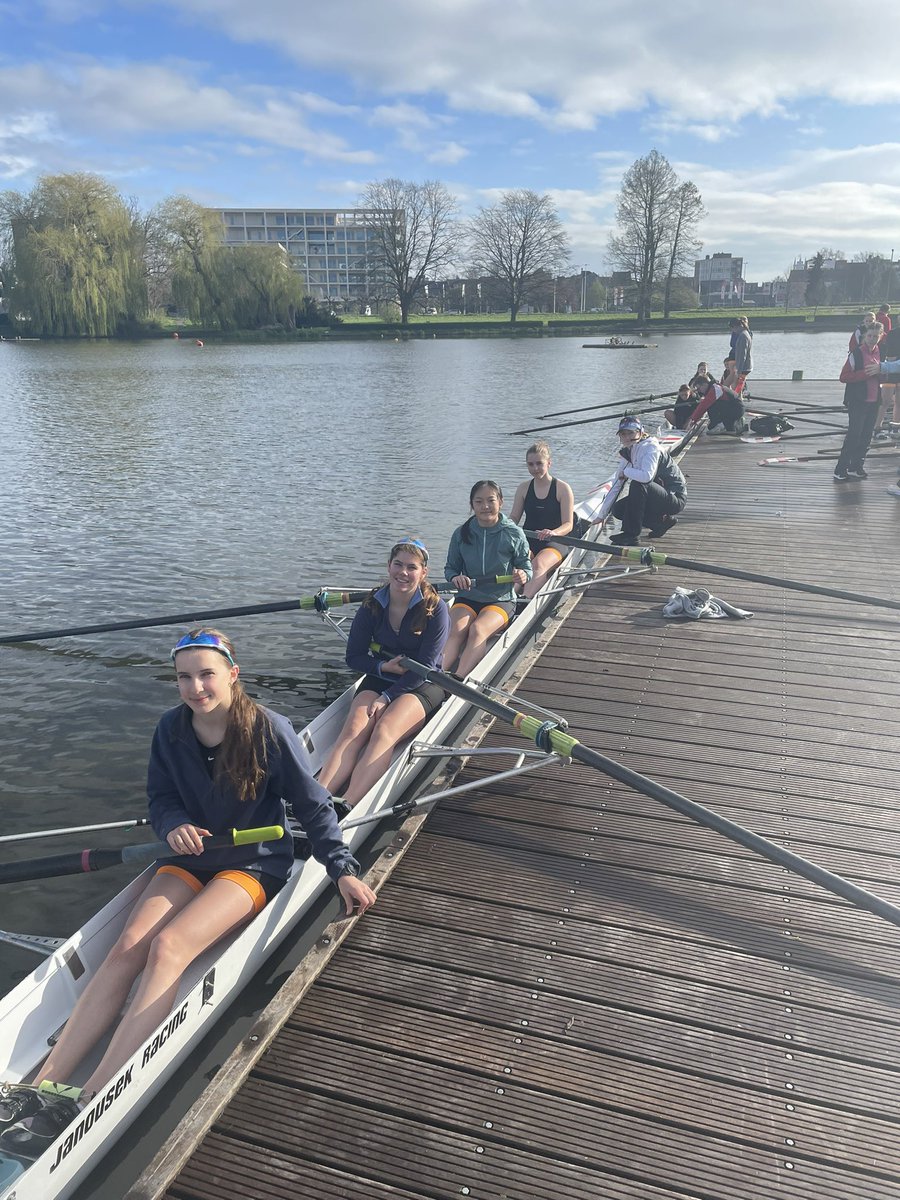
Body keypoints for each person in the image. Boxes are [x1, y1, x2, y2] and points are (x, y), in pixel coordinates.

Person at [0, 628, 375, 1157]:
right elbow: (160, 797)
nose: (196, 687)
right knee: (126, 946)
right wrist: (172, 823)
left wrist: (341, 868)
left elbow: (314, 808)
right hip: (190, 857)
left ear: (232, 675)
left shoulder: (269, 729)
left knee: (168, 947)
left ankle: (85, 1098)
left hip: (254, 863)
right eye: (184, 677)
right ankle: (39, 1089)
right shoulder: (170, 730)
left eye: (206, 675)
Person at [317, 539, 449, 807]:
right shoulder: (371, 606)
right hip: (382, 675)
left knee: (384, 729)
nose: (403, 572)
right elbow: (354, 656)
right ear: (388, 566)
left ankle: (347, 807)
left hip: (423, 682)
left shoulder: (436, 610)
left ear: (423, 573)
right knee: (353, 730)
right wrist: (381, 668)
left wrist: (387, 697)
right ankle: (317, 801)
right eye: (398, 564)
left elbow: (424, 666)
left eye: (411, 567)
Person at [444, 481, 531, 677]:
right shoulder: (461, 533)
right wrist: (456, 577)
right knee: (455, 631)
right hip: (467, 596)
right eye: (479, 501)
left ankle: (458, 680)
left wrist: (522, 575)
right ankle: (434, 674)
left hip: (500, 599)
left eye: (491, 500)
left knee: (477, 629)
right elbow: (450, 569)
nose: (485, 506)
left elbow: (527, 568)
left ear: (500, 502)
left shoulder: (513, 533)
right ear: (472, 505)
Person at [599, 416, 687, 546]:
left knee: (638, 483)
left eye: (631, 433)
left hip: (674, 497)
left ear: (640, 432)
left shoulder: (651, 448)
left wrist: (627, 472)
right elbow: (617, 483)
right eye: (623, 434)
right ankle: (660, 524)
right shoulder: (628, 450)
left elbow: (647, 476)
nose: (627, 437)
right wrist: (601, 515)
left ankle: (631, 535)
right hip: (657, 495)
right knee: (618, 509)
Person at [509, 441, 575, 599]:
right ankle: (508, 598)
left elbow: (568, 524)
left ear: (549, 463)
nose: (535, 468)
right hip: (528, 540)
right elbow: (514, 517)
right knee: (518, 564)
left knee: (538, 564)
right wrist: (503, 526)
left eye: (539, 463)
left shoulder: (562, 488)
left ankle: (525, 600)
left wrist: (553, 532)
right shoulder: (523, 488)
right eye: (530, 464)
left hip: (555, 541)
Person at [834, 323, 882, 481]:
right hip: (858, 401)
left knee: (867, 435)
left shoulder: (880, 352)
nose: (872, 339)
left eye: (875, 336)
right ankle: (840, 468)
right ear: (864, 337)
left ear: (880, 336)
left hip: (874, 401)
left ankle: (856, 466)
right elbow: (844, 377)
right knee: (854, 435)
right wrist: (865, 373)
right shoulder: (856, 354)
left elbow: (884, 374)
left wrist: (882, 372)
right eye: (869, 336)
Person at [730, 318, 752, 393]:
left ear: (735, 327)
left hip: (744, 367)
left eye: (732, 328)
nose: (733, 331)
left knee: (737, 387)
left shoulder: (743, 336)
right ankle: (738, 398)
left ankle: (736, 400)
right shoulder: (745, 333)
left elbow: (743, 355)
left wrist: (739, 370)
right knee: (738, 387)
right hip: (745, 366)